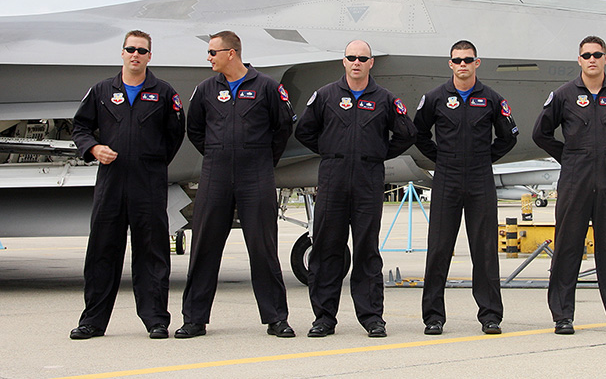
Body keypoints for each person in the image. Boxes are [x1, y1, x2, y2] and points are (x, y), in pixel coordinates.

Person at [176, 31, 296, 339]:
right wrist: (218, 154)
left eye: (213, 52)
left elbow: (283, 127)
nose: (209, 58)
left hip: (256, 173)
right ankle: (194, 319)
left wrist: (260, 159)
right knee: (204, 247)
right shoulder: (205, 90)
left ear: (232, 53)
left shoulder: (267, 87)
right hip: (215, 174)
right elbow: (195, 129)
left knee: (263, 247)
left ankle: (276, 318)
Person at [295, 40, 416, 338]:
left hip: (368, 179)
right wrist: (330, 148)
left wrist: (377, 152)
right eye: (352, 57)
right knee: (326, 249)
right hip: (333, 179)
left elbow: (407, 133)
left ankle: (372, 317)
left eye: (363, 58)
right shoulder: (325, 96)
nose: (357, 62)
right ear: (344, 62)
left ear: (371, 62)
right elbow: (304, 131)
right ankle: (324, 318)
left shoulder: (385, 99)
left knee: (366, 250)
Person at [70, 30, 185, 340]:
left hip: (148, 184)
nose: (136, 54)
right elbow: (80, 128)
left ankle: (156, 320)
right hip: (111, 182)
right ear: (122, 53)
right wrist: (93, 149)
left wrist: (152, 160)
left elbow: (175, 134)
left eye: (142, 50)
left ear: (149, 56)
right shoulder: (102, 91)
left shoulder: (163, 93)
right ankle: (92, 321)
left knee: (152, 253)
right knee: (102, 251)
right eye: (130, 49)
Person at [532, 35, 606, 335]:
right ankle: (562, 316)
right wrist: (570, 157)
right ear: (579, 60)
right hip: (575, 180)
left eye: (598, 54)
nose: (592, 59)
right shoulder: (563, 95)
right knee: (568, 247)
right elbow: (540, 133)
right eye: (587, 55)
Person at [414, 40, 518, 336]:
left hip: (479, 178)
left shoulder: (491, 99)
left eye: (467, 60)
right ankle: (433, 317)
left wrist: (484, 158)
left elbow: (508, 136)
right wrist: (441, 159)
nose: (462, 64)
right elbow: (418, 132)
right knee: (439, 248)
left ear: (477, 63)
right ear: (450, 64)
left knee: (485, 249)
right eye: (457, 60)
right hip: (446, 177)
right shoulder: (435, 98)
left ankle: (490, 316)